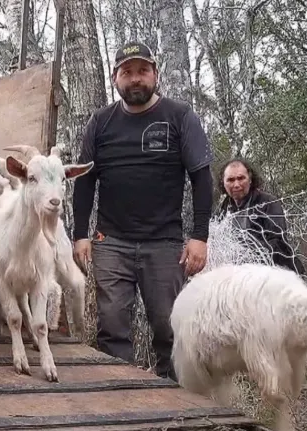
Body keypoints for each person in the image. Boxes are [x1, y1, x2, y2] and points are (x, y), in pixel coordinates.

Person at [72, 42, 215, 381]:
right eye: (127, 72)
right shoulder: (100, 122)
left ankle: (174, 402)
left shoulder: (179, 116)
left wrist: (199, 237)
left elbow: (201, 177)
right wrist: (80, 234)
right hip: (111, 242)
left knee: (169, 327)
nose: (135, 79)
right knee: (112, 327)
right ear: (115, 78)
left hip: (164, 243)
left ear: (155, 74)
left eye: (142, 71)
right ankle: (118, 398)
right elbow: (85, 181)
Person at [216, 158, 305, 274]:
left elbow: (277, 242)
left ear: (250, 179)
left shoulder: (267, 202)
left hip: (277, 273)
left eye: (241, 178)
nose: (236, 184)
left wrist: (247, 256)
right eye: (230, 180)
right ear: (223, 182)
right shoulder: (223, 209)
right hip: (240, 274)